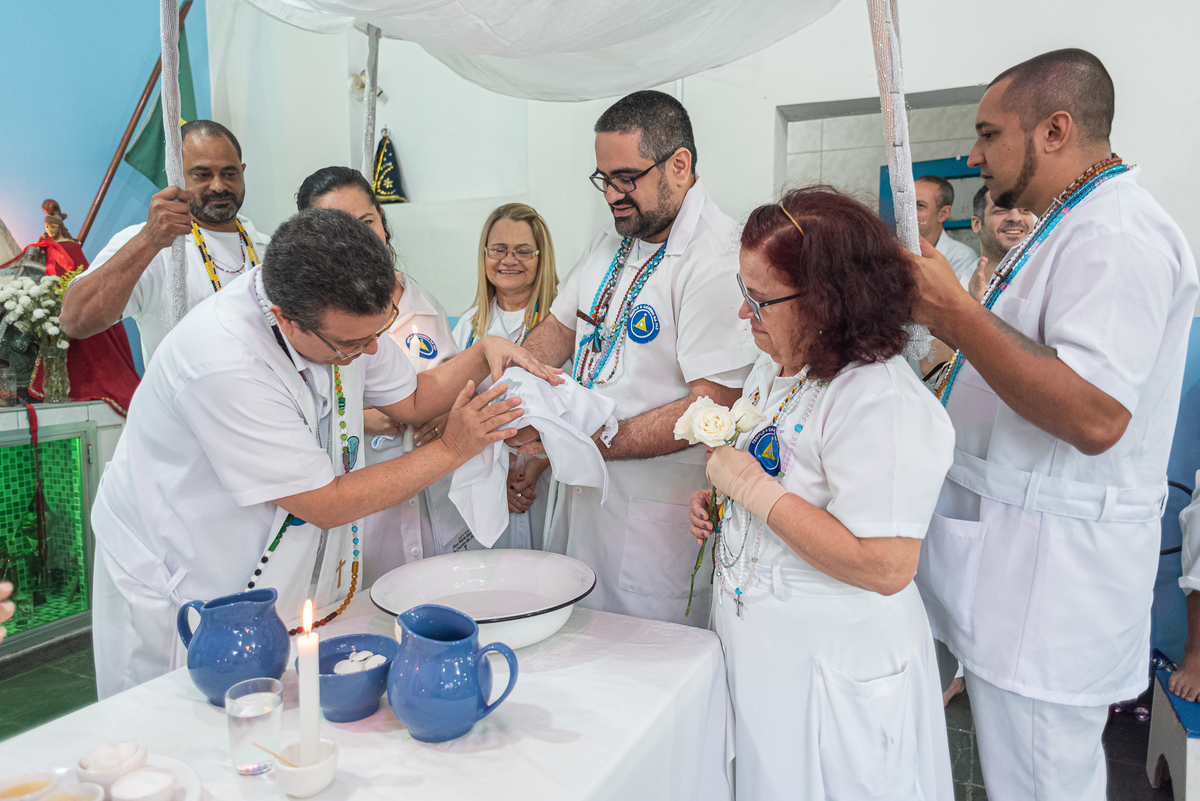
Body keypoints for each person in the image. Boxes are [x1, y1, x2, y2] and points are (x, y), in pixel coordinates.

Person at [90, 207, 559, 698]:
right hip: (184, 570)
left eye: (380, 331)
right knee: (178, 726)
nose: (373, 352)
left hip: (274, 560)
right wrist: (454, 447)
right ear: (285, 320)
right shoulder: (223, 361)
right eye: (353, 344)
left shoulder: (341, 318)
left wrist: (483, 351)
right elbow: (324, 503)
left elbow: (414, 397)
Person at [910, 49, 1198, 801]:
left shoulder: (1118, 235)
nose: (973, 155)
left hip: (1051, 583)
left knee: (1040, 781)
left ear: (1056, 128)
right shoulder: (1068, 222)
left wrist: (956, 314)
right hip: (1012, 564)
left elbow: (1095, 413)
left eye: (988, 133)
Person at [689, 187, 954, 801]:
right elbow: (784, 476)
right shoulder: (780, 365)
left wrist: (752, 492)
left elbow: (886, 564)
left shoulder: (877, 397)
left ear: (829, 301)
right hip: (767, 651)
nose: (743, 315)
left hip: (833, 661)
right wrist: (725, 511)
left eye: (759, 300)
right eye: (743, 292)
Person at [513, 90, 756, 625]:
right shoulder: (612, 239)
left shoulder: (715, 257)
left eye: (627, 178)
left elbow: (712, 405)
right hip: (584, 497)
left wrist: (584, 438)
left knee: (643, 669)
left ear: (680, 165)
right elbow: (557, 330)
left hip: (654, 516)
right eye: (604, 179)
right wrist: (511, 396)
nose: (613, 195)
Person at [295, 166, 470, 579]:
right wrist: (363, 417)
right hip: (356, 503)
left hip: (429, 497)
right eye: (338, 228)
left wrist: (445, 413)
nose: (357, 240)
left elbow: (451, 378)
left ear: (384, 225)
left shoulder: (423, 304)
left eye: (367, 222)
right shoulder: (304, 323)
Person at [60, 120, 270, 365]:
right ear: (174, 176)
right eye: (202, 175)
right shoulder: (150, 245)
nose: (218, 185)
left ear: (242, 172)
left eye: (229, 173)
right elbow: (75, 322)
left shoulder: (270, 248)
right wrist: (149, 240)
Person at [452, 203, 560, 550]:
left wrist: (533, 470)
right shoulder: (468, 328)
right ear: (484, 255)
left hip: (542, 481)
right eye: (498, 249)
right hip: (483, 478)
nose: (508, 260)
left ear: (541, 257)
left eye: (523, 251)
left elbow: (572, 406)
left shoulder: (559, 326)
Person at [965, 186, 1034, 300]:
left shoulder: (1049, 277)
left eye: (1025, 210)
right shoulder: (956, 283)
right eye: (1001, 210)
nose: (1016, 218)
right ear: (976, 224)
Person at [914, 174, 977, 284]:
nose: (908, 212)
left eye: (920, 205)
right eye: (907, 204)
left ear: (943, 214)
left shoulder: (962, 258)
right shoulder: (892, 251)